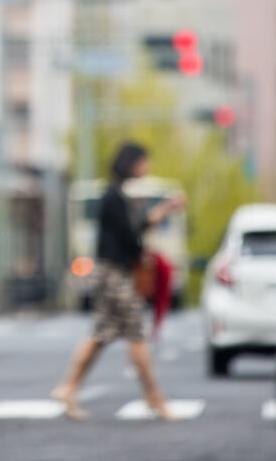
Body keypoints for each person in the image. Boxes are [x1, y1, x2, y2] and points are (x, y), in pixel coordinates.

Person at [51, 142, 186, 420]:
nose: (146, 168)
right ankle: (155, 397)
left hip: (109, 272)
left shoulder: (116, 195)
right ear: (132, 163)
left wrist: (159, 213)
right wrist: (156, 220)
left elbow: (131, 230)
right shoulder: (113, 196)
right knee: (136, 331)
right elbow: (129, 236)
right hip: (114, 273)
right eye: (143, 162)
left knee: (101, 334)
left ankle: (68, 388)